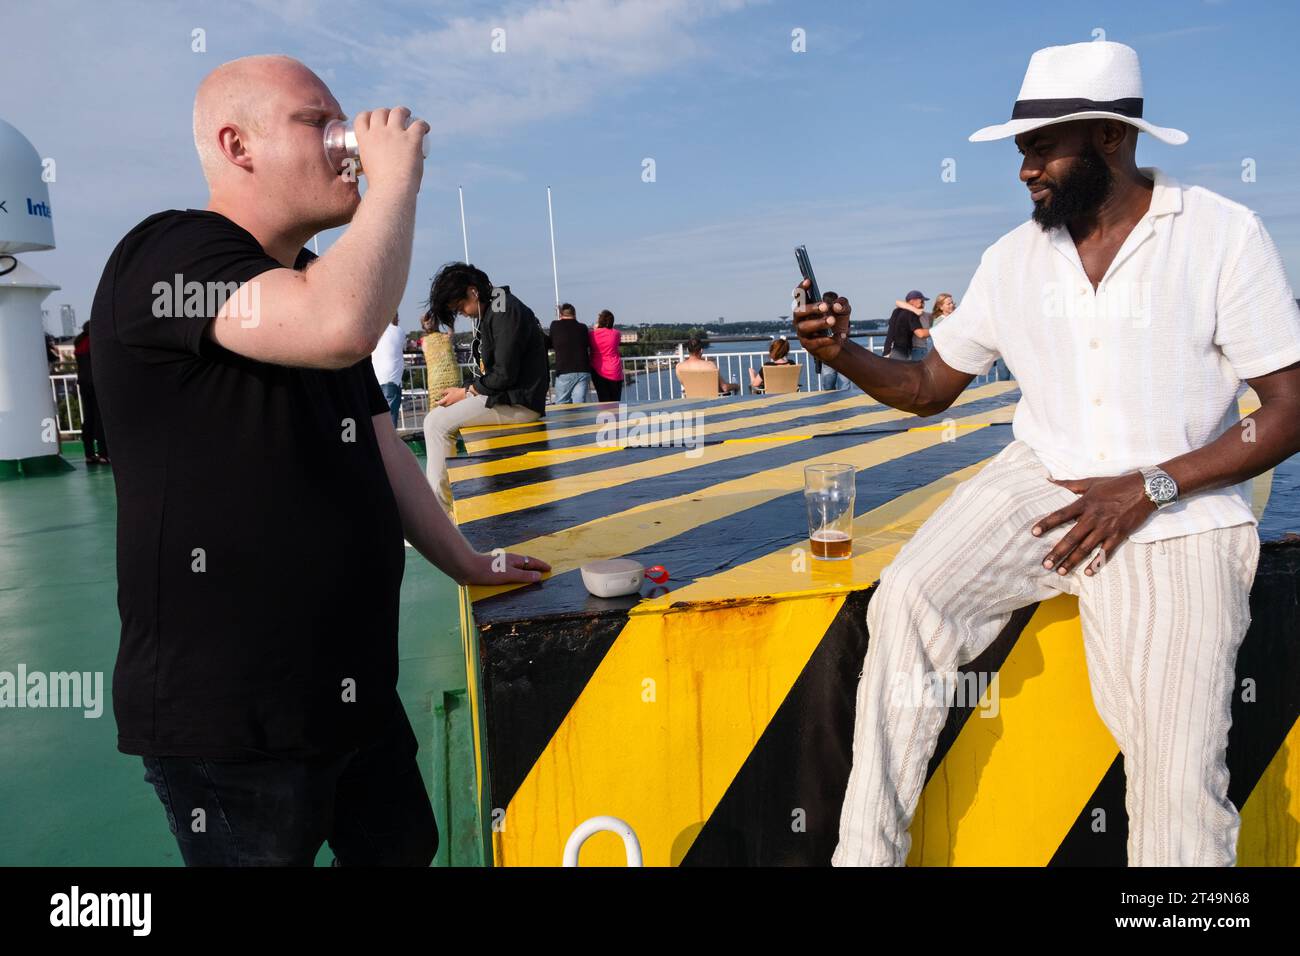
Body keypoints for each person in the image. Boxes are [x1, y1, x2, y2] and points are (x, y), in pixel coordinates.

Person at [793, 40, 1300, 867]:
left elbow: (1288, 410)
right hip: (1039, 483)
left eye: (1039, 147)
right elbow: (928, 385)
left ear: (1110, 137)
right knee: (908, 601)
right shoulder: (1014, 259)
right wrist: (840, 351)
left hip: (1174, 511)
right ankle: (866, 858)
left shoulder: (1219, 237)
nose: (1024, 169)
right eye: (1021, 150)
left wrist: (1148, 487)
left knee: (1178, 785)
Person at [90, 55, 549, 868]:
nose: (347, 143)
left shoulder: (304, 276)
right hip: (236, 720)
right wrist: (395, 183)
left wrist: (466, 562)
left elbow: (383, 447)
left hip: (352, 691)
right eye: (319, 122)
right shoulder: (168, 256)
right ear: (237, 145)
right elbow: (337, 325)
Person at [422, 262, 548, 517]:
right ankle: (441, 508)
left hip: (519, 404)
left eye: (460, 307)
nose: (464, 314)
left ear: (473, 292)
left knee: (436, 424)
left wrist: (465, 392)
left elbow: (503, 375)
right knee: (435, 419)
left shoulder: (503, 311)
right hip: (511, 399)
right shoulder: (499, 306)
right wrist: (465, 389)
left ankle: (439, 514)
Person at [72, 321, 109, 464]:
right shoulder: (94, 342)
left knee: (88, 418)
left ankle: (88, 454)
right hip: (96, 383)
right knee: (100, 418)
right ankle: (103, 454)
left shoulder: (79, 342)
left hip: (83, 384)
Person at [548, 302, 592, 404]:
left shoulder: (555, 325)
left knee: (562, 403)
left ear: (561, 314)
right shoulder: (583, 327)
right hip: (583, 369)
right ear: (574, 314)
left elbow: (551, 342)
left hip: (564, 370)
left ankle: (565, 420)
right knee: (579, 404)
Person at [419, 309, 462, 406]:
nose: (429, 322)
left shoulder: (425, 341)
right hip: (441, 379)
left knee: (439, 405)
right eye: (427, 321)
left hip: (438, 379)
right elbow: (451, 327)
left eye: (431, 320)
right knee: (453, 405)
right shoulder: (445, 337)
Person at [675, 335, 740, 395]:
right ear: (701, 350)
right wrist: (736, 386)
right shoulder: (710, 365)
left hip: (691, 403)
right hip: (712, 403)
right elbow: (725, 387)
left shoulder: (679, 367)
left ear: (687, 350)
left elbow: (688, 387)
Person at [371, 313, 405, 426]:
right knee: (390, 420)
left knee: (376, 416)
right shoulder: (398, 331)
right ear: (394, 318)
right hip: (391, 380)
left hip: (375, 379)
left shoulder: (375, 332)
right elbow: (402, 347)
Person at [817, 290, 852, 390]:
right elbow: (847, 328)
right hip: (842, 350)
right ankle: (845, 402)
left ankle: (829, 402)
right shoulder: (842, 314)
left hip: (828, 352)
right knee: (844, 385)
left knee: (828, 386)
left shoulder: (821, 315)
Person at [882, 290, 931, 361]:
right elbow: (920, 334)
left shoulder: (896, 311)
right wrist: (936, 331)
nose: (923, 304)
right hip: (901, 352)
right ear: (913, 301)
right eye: (922, 301)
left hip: (888, 350)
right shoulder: (912, 313)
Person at [588, 309, 625, 401]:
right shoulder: (616, 334)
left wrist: (596, 328)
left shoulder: (592, 334)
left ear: (600, 321)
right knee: (616, 400)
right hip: (614, 370)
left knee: (603, 400)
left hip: (598, 370)